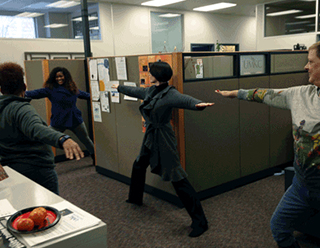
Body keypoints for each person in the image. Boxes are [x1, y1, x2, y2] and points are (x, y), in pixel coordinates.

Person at [216, 41, 320, 248]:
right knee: (279, 227)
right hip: (302, 185)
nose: (305, 67)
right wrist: (234, 93)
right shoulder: (300, 95)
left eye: (310, 61)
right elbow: (265, 94)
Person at [112, 61, 214, 238]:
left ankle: (200, 222)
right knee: (139, 164)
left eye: (150, 73)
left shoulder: (170, 93)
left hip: (163, 137)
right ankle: (135, 198)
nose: (148, 75)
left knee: (177, 177)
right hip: (151, 135)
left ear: (156, 76)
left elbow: (185, 100)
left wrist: (199, 104)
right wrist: (119, 87)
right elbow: (137, 91)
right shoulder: (152, 91)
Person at [0, 62, 84, 195]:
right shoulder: (22, 109)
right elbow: (36, 128)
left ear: (1, 90)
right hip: (38, 170)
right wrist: (62, 138)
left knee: (23, 206)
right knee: (50, 208)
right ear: (24, 87)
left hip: (11, 169)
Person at [25, 67, 95, 165]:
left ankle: (96, 159)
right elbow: (35, 93)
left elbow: (87, 95)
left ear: (65, 77)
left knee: (86, 140)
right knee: (45, 140)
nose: (59, 78)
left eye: (61, 76)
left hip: (75, 120)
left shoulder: (72, 88)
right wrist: (20, 94)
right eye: (56, 77)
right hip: (58, 122)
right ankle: (40, 162)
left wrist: (99, 96)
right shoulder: (50, 89)